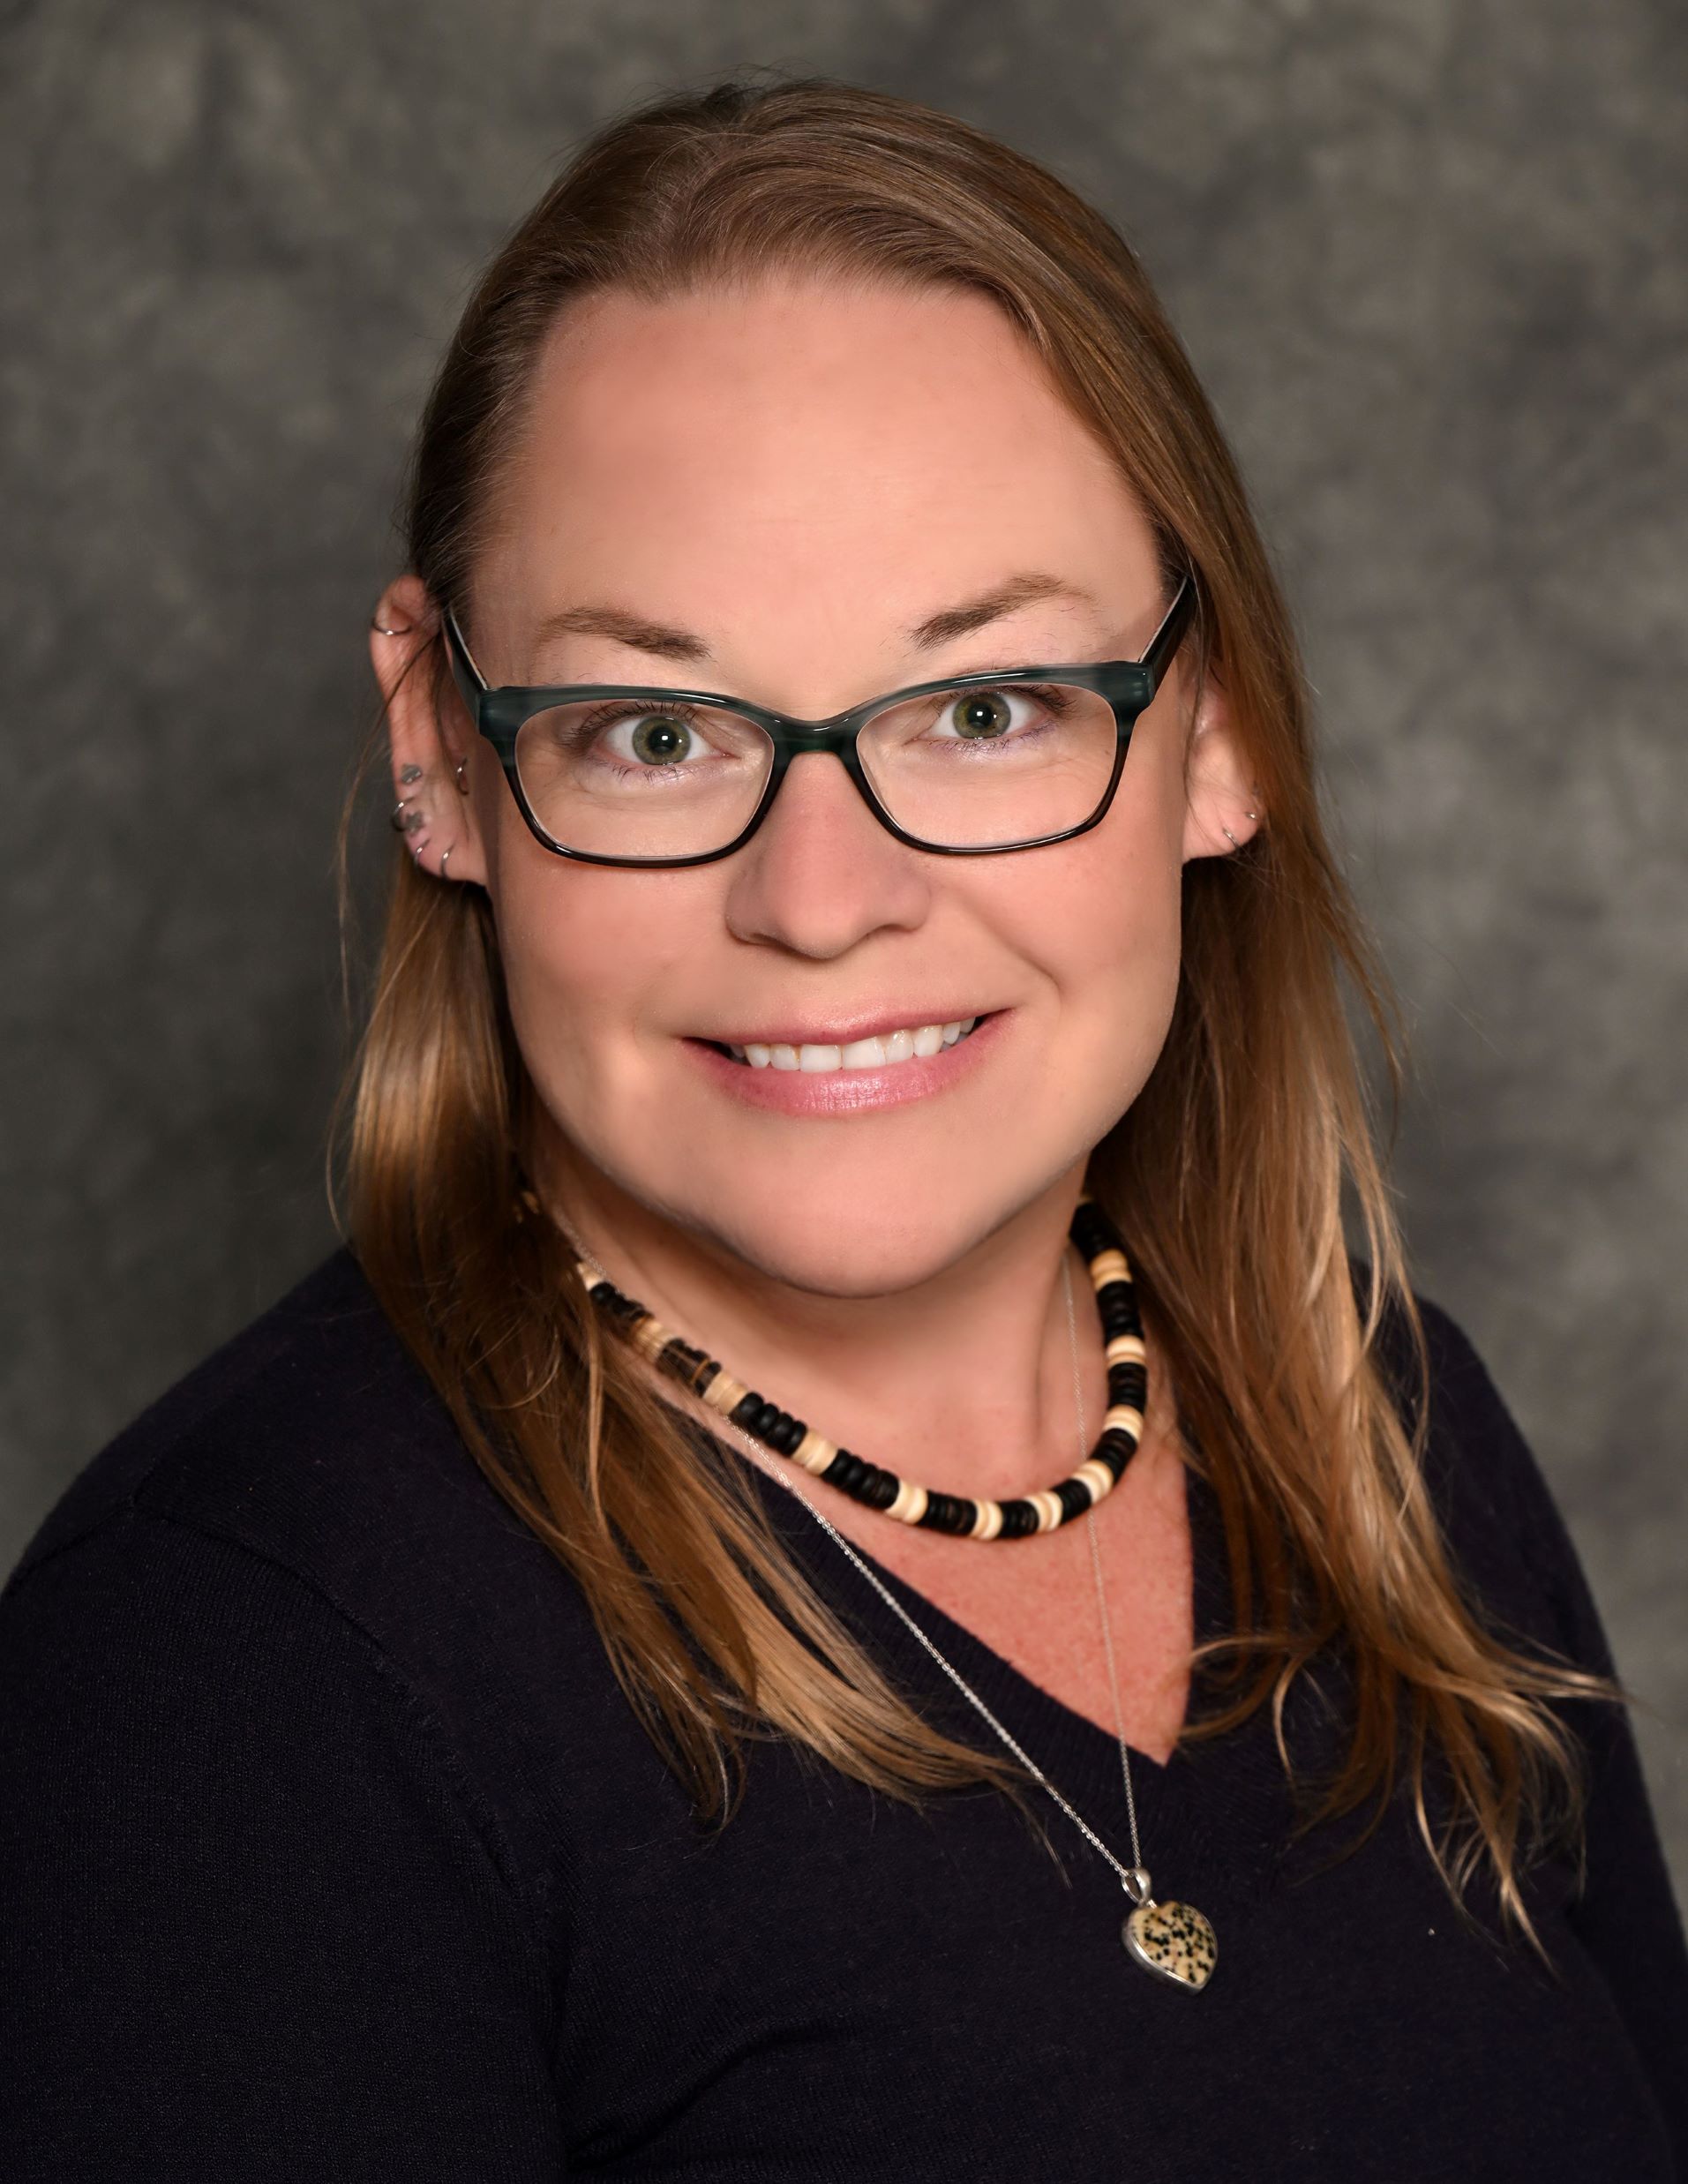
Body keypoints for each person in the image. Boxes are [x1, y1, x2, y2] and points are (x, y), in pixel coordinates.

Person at [2, 74, 1684, 2181]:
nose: (821, 897)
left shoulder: (1395, 1431)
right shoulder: (231, 1681)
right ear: (442, 752)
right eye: (652, 730)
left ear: (1218, 727)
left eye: (984, 709)